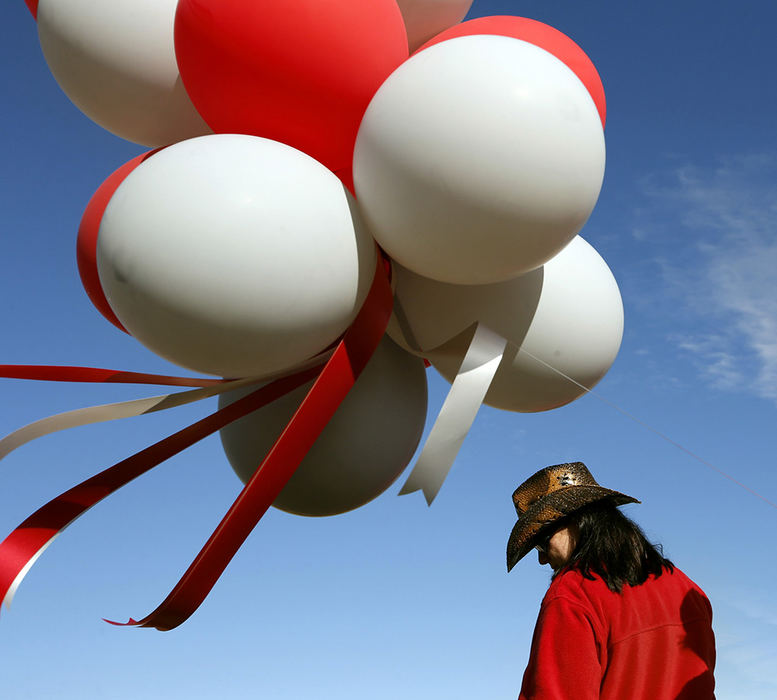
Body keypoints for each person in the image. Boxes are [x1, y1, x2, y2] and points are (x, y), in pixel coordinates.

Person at [507, 462, 715, 699]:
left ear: (576, 521)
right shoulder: (688, 590)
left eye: (541, 542)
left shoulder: (572, 594)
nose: (542, 559)